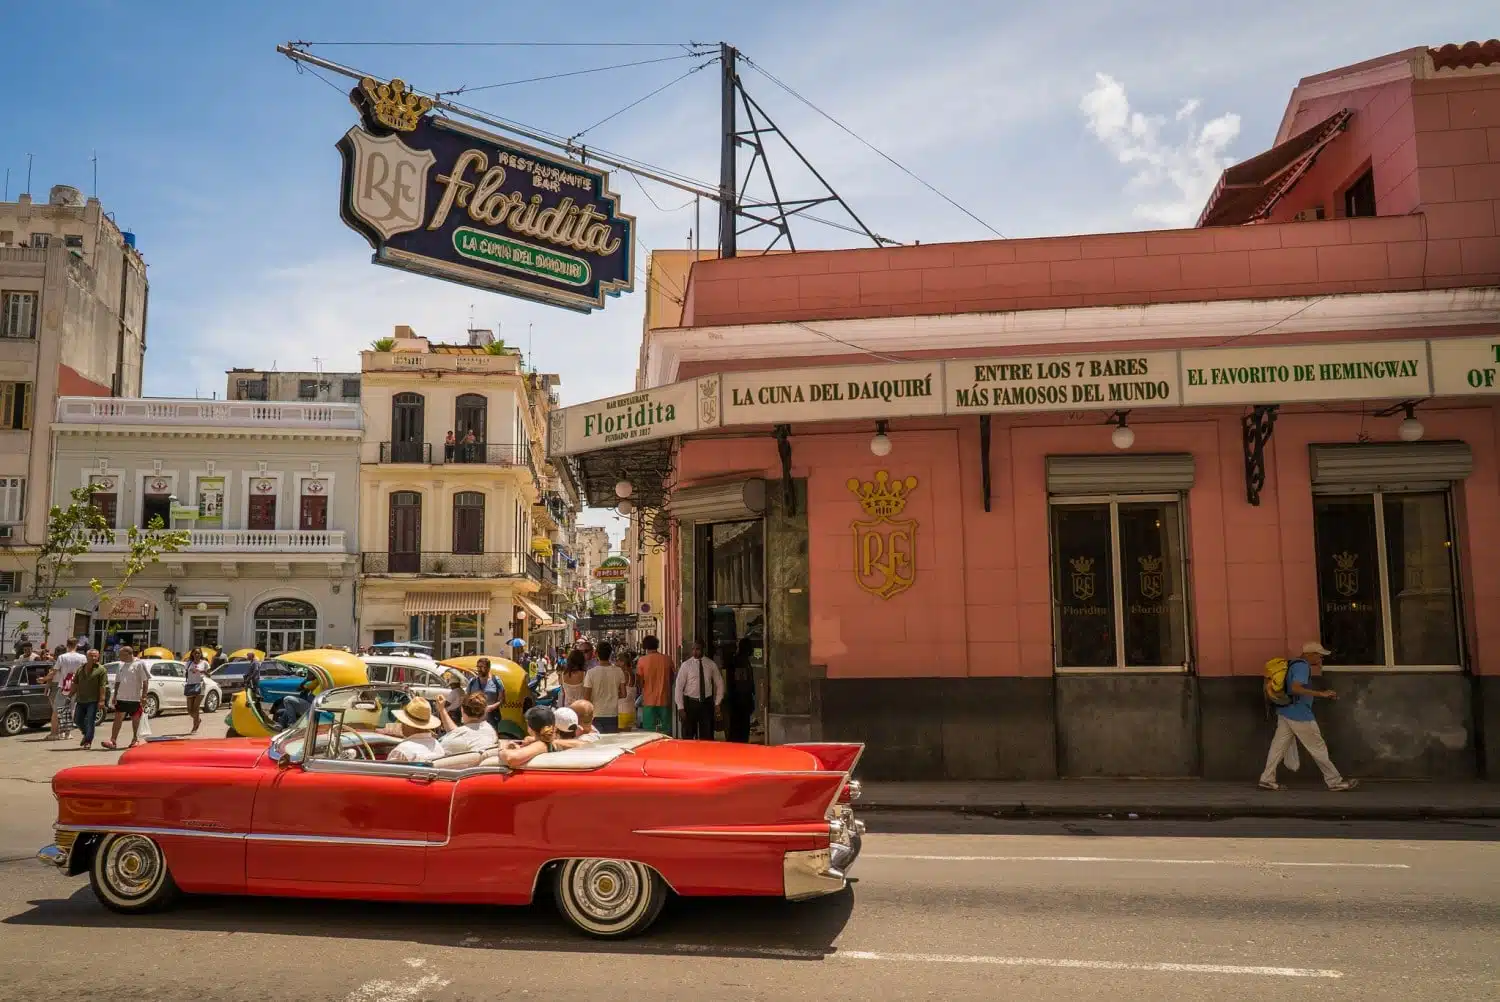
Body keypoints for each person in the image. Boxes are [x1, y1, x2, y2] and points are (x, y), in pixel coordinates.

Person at [1259, 642, 1359, 792]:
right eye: (1319, 655)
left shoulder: (1293, 664)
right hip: (1299, 714)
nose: (1321, 659)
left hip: (1286, 711)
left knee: (1278, 747)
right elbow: (1295, 688)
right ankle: (1334, 781)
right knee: (1318, 747)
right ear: (1310, 654)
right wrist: (1321, 694)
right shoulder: (1302, 666)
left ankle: (1267, 779)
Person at [102, 646, 150, 749]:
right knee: (117, 718)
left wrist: (144, 696)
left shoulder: (139, 664)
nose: (119, 656)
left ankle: (135, 739)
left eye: (121, 654)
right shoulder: (120, 665)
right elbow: (118, 681)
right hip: (121, 697)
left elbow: (145, 681)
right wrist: (115, 695)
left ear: (128, 654)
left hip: (134, 698)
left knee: (135, 719)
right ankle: (113, 740)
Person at [675, 641, 723, 741]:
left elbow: (720, 684)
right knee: (688, 735)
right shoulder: (686, 665)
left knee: (706, 735)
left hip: (706, 704)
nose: (695, 652)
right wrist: (680, 707)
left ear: (703, 650)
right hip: (690, 703)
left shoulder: (710, 664)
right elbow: (679, 687)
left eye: (697, 649)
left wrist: (717, 703)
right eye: (693, 649)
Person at [46, 637, 87, 740]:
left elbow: (54, 671)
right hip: (76, 687)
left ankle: (54, 734)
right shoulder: (82, 657)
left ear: (67, 645)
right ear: (76, 645)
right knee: (70, 709)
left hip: (64, 686)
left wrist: (44, 679)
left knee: (57, 710)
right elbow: (85, 673)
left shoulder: (62, 657)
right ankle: (67, 734)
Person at [387, 696, 445, 763]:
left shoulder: (402, 751)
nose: (401, 725)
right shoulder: (438, 746)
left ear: (407, 724)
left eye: (402, 722)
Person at [71, 649, 109, 749]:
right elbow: (75, 684)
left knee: (90, 720)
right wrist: (69, 696)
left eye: (95, 656)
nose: (93, 658)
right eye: (91, 656)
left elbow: (102, 686)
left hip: (93, 700)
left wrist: (102, 700)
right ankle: (86, 733)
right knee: (77, 720)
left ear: (98, 657)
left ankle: (88, 741)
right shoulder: (80, 669)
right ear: (87, 657)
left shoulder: (101, 670)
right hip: (81, 699)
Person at [636, 635, 674, 735]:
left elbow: (640, 682)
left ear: (645, 646)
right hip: (665, 699)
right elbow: (672, 678)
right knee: (666, 731)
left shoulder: (642, 661)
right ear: (657, 645)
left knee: (649, 732)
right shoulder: (667, 659)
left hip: (648, 700)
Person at [583, 647, 627, 733]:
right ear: (610, 654)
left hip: (596, 714)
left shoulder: (590, 673)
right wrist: (613, 694)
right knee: (611, 740)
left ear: (596, 654)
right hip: (612, 713)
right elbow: (624, 694)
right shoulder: (619, 671)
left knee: (598, 739)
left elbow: (586, 697)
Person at [725, 637, 757, 743]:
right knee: (739, 730)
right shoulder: (738, 662)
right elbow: (740, 684)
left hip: (743, 701)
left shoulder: (744, 661)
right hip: (739, 702)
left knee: (742, 729)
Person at [465, 657, 505, 731]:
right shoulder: (472, 681)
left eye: (482, 667)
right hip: (475, 719)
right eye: (478, 667)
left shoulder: (496, 681)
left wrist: (491, 707)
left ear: (488, 668)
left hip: (491, 719)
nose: (479, 669)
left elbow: (502, 700)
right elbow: (466, 699)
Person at [184, 647, 209, 734]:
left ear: (201, 654)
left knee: (195, 708)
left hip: (200, 686)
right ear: (192, 654)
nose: (197, 655)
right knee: (189, 710)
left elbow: (209, 675)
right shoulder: (188, 663)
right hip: (190, 686)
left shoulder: (204, 663)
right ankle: (198, 719)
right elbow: (185, 673)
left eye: (198, 653)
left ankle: (195, 727)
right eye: (195, 653)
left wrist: (203, 671)